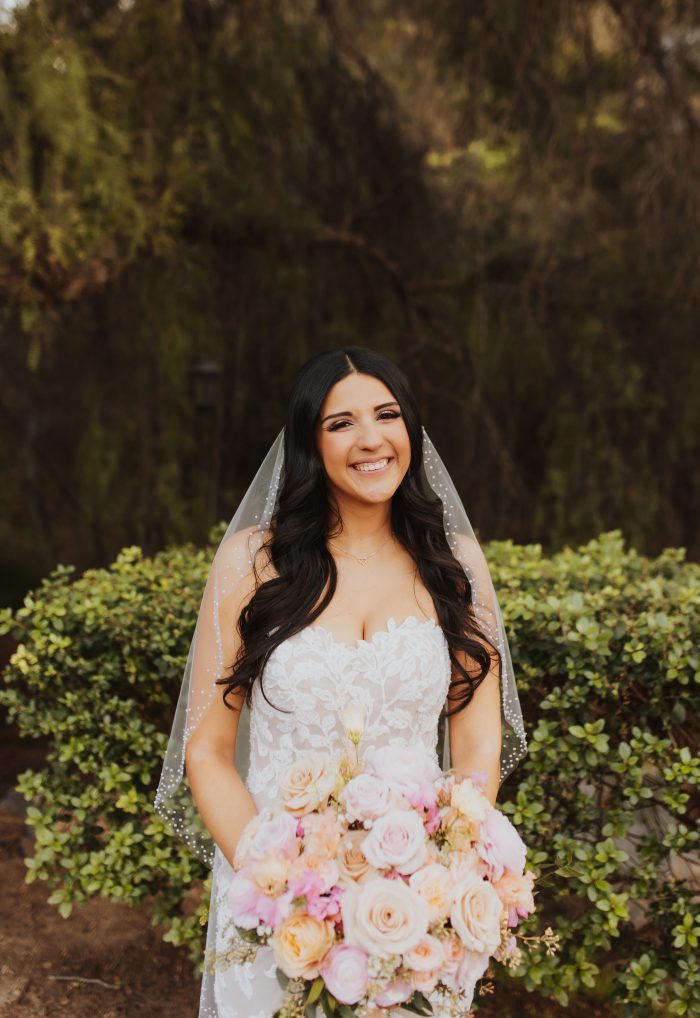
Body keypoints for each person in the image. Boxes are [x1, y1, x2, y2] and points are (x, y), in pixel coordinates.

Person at [154, 347, 527, 1018]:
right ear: (308, 443)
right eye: (341, 423)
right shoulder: (253, 563)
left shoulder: (455, 564)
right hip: (277, 898)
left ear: (411, 429)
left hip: (415, 907)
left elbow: (475, 749)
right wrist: (279, 886)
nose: (370, 439)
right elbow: (208, 751)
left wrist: (438, 871)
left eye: (387, 415)